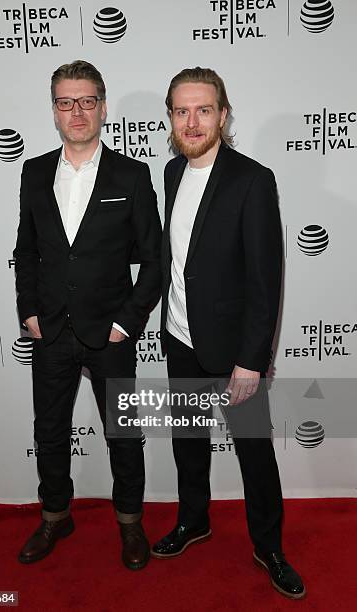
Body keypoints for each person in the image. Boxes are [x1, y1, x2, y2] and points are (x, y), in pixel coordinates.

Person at [151, 67, 305, 599]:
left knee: (255, 450)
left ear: (223, 114)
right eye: (181, 110)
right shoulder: (171, 174)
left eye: (204, 110)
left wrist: (251, 360)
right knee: (188, 442)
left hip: (234, 351)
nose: (192, 122)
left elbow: (267, 281)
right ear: (170, 116)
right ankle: (194, 521)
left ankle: (269, 546)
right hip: (179, 338)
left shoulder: (252, 180)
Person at [13, 60, 162, 570]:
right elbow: (26, 251)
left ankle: (130, 523)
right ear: (54, 110)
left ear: (102, 105)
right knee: (49, 431)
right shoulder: (34, 172)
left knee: (124, 432)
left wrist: (128, 322)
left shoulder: (133, 175)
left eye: (86, 101)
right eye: (65, 102)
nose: (76, 112)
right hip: (50, 330)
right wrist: (28, 309)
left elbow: (155, 262)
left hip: (112, 335)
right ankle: (55, 516)